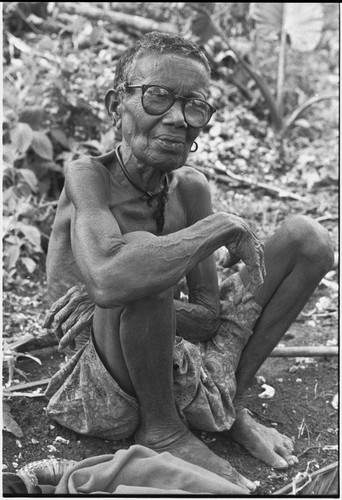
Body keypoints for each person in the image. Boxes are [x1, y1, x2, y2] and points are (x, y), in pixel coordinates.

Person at [43, 32, 334, 493]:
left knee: (308, 238)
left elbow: (206, 319)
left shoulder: (190, 189)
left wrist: (145, 298)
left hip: (170, 349)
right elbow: (109, 280)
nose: (178, 119)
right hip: (99, 377)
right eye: (158, 98)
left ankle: (228, 405)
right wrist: (216, 228)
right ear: (117, 104)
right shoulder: (88, 176)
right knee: (142, 262)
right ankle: (163, 431)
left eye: (193, 106)